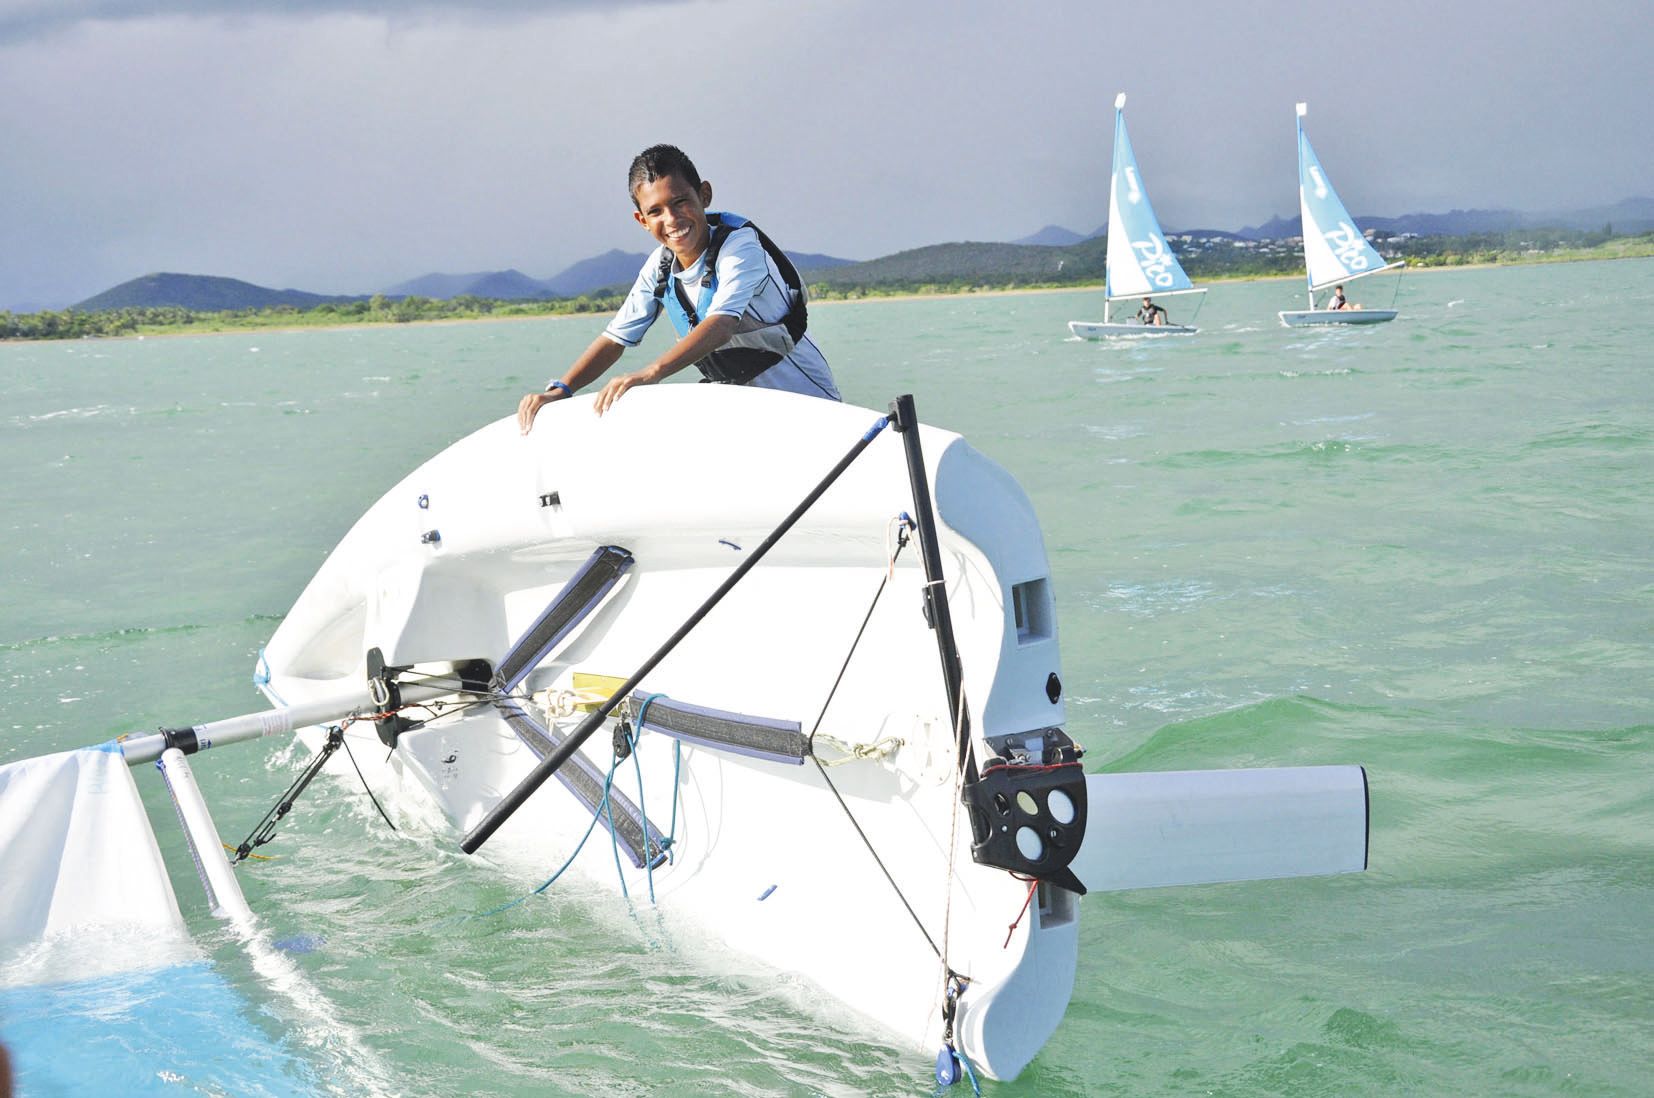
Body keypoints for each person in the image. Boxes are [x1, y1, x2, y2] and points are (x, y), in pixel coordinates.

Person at [518, 144, 839, 433]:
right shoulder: (660, 268)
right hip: (741, 411)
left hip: (806, 404)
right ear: (641, 220)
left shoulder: (740, 246)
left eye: (680, 202)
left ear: (705, 195)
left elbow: (722, 325)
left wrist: (652, 372)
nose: (671, 219)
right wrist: (562, 389)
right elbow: (615, 339)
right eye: (655, 211)